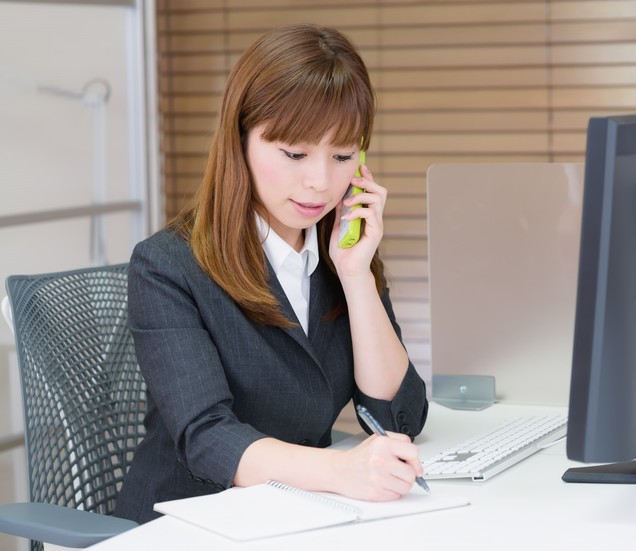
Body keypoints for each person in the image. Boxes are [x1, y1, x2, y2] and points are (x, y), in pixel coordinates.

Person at [114, 23, 429, 524]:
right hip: (185, 523)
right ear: (240, 141)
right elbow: (207, 436)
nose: (320, 181)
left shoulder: (339, 252)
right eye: (295, 153)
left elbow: (396, 416)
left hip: (294, 518)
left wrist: (355, 276)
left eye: (343, 155)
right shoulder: (168, 266)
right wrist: (341, 470)